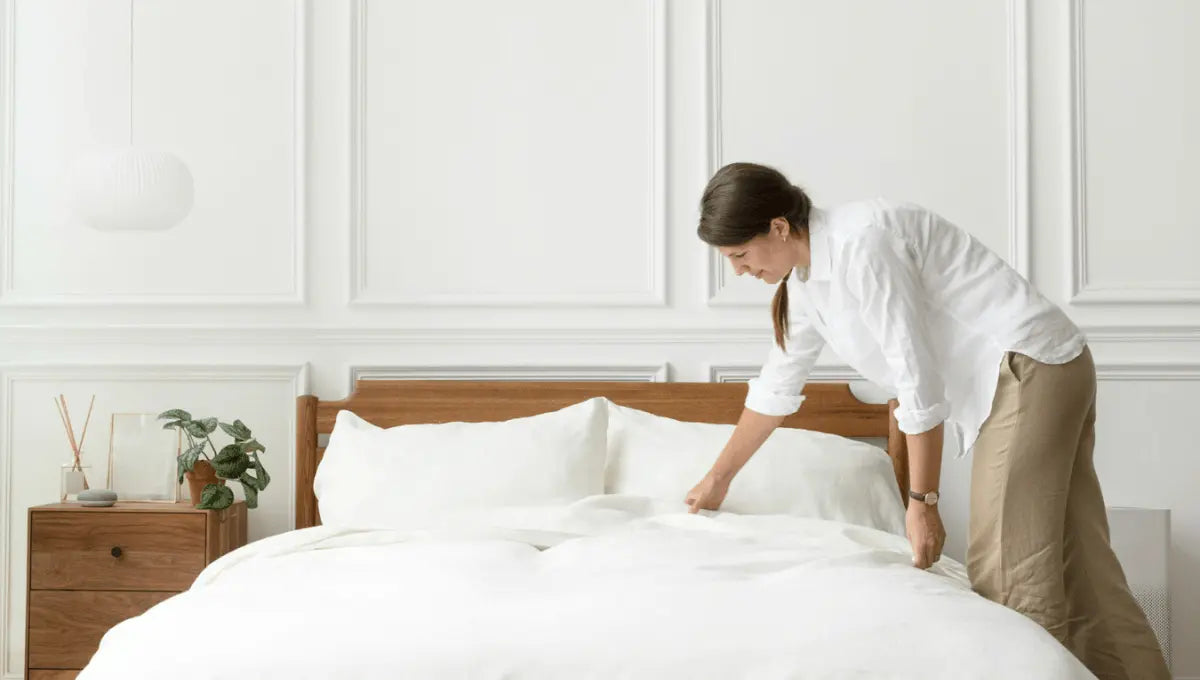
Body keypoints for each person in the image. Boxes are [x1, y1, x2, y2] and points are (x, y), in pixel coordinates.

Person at [684, 161, 1170, 680]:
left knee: (1008, 578)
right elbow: (777, 386)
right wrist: (717, 480)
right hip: (1047, 364)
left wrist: (923, 501)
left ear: (778, 228)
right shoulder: (807, 283)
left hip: (1027, 366)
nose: (736, 271)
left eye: (739, 255)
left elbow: (915, 377)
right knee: (1084, 572)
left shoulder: (862, 245)